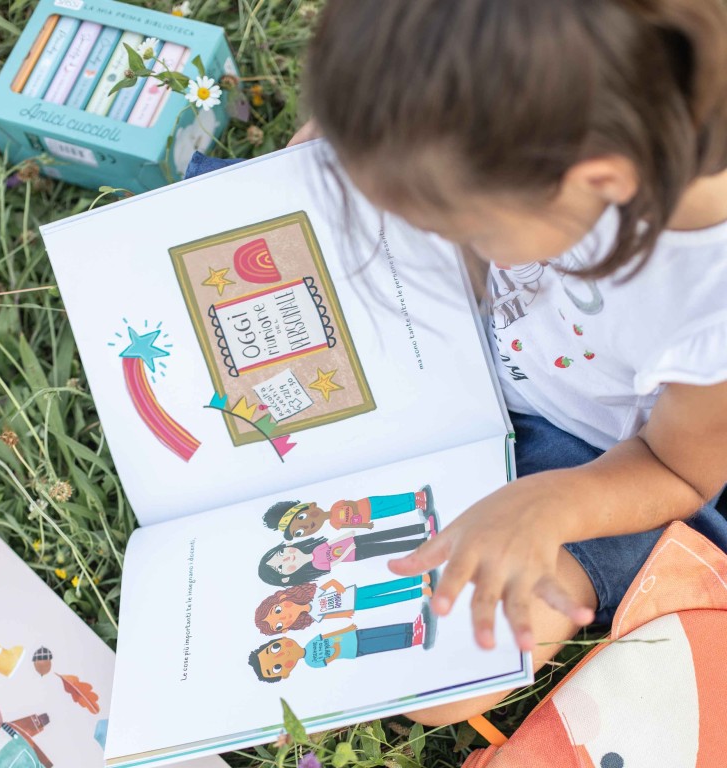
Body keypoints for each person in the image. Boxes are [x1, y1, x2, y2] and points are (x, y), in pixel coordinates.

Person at [295, 0, 727, 725]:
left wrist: (548, 506)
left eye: (463, 221)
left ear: (600, 180)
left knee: (445, 678)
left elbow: (678, 472)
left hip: (602, 460)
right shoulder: (560, 113)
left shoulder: (709, 314)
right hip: (483, 350)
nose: (445, 231)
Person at [248, 604, 436, 682]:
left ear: (282, 639)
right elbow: (328, 660)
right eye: (277, 666)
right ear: (285, 673)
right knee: (382, 643)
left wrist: (347, 629)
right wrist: (337, 651)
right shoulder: (311, 662)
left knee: (381, 632)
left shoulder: (311, 643)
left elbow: (329, 635)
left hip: (353, 636)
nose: (282, 654)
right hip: (354, 649)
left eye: (275, 648)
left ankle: (412, 627)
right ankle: (413, 638)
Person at [257, 516, 438, 587]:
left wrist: (347, 536)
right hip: (355, 553)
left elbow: (331, 543)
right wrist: (348, 549)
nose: (287, 558)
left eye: (281, 554)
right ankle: (424, 542)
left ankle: (423, 527)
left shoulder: (315, 549)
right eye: (281, 567)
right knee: (387, 548)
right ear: (286, 578)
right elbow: (335, 561)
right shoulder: (317, 564)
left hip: (354, 541)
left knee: (387, 534)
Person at [254, 573, 436, 633]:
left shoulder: (312, 596)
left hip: (354, 593)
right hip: (353, 606)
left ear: (282, 598)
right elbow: (329, 616)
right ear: (285, 629)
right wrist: (344, 614)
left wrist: (338, 587)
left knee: (385, 587)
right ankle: (420, 592)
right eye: (280, 624)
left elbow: (330, 584)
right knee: (386, 600)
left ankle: (420, 579)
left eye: (277, 611)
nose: (285, 616)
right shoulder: (313, 615)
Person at [262, 486, 433, 540]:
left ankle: (416, 497)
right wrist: (365, 525)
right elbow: (351, 524)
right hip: (370, 515)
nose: (307, 526)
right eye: (299, 532)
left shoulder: (335, 506)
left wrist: (356, 511)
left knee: (391, 501)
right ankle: (417, 505)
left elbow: (350, 503)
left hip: (369, 503)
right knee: (392, 511)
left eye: (302, 517)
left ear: (311, 506)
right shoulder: (335, 524)